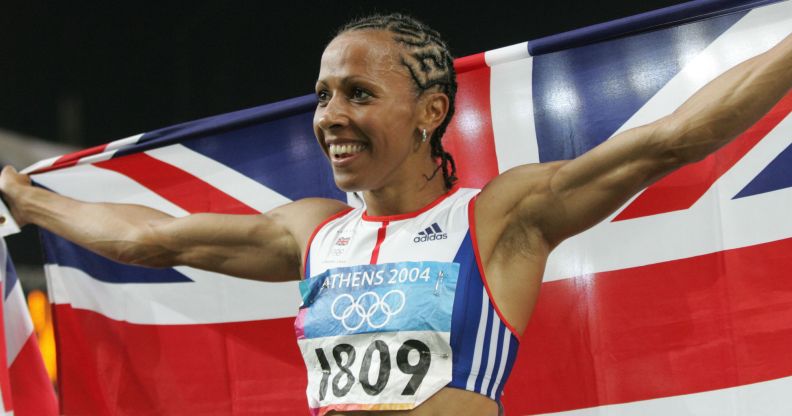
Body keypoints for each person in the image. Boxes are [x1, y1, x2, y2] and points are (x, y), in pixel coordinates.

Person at [1, 13, 791, 416]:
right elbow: (148, 238)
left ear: (430, 110)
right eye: (323, 95)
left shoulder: (498, 219)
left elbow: (671, 140)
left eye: (359, 94)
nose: (331, 114)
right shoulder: (312, 232)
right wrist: (30, 199)